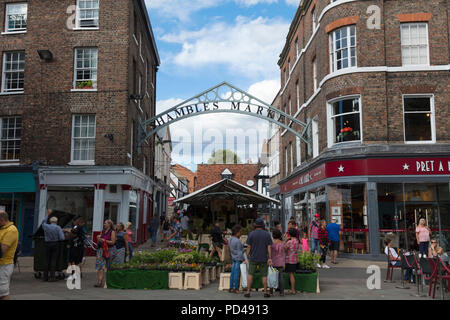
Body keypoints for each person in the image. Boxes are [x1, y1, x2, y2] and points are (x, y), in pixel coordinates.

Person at [245, 218, 273, 298]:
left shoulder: (251, 234)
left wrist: (246, 257)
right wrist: (270, 258)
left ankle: (248, 291)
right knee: (264, 275)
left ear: (255, 225)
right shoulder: (267, 234)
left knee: (250, 274)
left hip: (253, 258)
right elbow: (269, 247)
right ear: (263, 225)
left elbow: (249, 247)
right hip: (263, 258)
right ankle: (265, 292)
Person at [42, 209, 65, 282]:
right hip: (55, 244)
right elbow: (62, 238)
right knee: (53, 260)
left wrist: (48, 215)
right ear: (56, 222)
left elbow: (43, 222)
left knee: (46, 260)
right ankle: (52, 276)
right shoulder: (58, 228)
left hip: (47, 244)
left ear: (50, 221)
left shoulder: (45, 226)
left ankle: (45, 277)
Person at [0, 211, 18, 300]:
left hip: (4, 266)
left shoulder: (11, 230)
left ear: (2, 220)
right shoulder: (2, 228)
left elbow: (2, 250)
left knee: (3, 293)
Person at [95, 220, 116, 287]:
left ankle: (108, 282)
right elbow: (100, 237)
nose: (104, 224)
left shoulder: (112, 232)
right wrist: (99, 238)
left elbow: (113, 242)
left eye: (105, 223)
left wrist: (104, 241)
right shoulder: (103, 231)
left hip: (109, 250)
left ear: (109, 224)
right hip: (101, 250)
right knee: (100, 266)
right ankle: (99, 281)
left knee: (109, 266)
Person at [228, 225, 245, 293]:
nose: (241, 234)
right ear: (237, 232)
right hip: (238, 258)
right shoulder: (237, 241)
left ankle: (231, 287)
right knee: (237, 274)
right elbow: (240, 252)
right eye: (240, 232)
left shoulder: (230, 239)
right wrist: (243, 259)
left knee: (233, 273)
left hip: (233, 257)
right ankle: (236, 289)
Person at [269, 229, 285, 296]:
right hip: (281, 262)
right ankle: (281, 292)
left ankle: (271, 292)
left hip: (273, 261)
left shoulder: (271, 243)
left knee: (271, 276)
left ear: (273, 235)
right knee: (280, 277)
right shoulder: (283, 243)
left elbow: (269, 251)